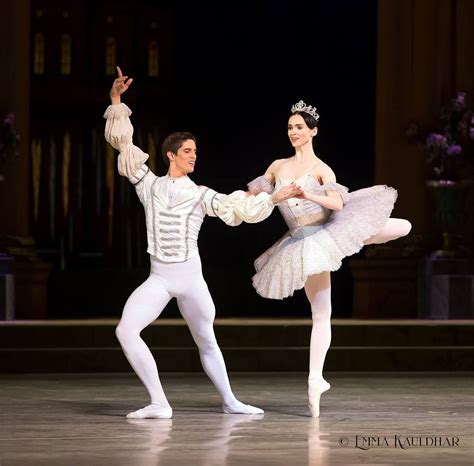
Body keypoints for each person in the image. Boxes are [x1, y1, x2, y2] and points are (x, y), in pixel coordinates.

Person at [104, 67, 302, 419]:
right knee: (125, 329)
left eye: (195, 151)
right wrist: (117, 99)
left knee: (206, 339)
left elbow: (234, 207)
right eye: (188, 151)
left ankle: (230, 401)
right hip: (160, 279)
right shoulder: (148, 185)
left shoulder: (200, 195)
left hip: (191, 279)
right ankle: (159, 402)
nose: (194, 156)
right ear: (171, 155)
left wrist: (272, 199)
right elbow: (124, 144)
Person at [247, 100, 412, 417]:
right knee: (321, 315)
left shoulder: (322, 169)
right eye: (290, 127)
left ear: (313, 131)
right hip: (302, 243)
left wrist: (306, 194)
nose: (294, 132)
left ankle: (356, 239)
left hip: (327, 229)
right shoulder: (277, 166)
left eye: (299, 127)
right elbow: (252, 197)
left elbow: (336, 204)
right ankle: (315, 380)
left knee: (403, 226)